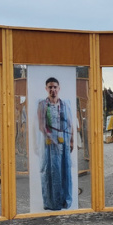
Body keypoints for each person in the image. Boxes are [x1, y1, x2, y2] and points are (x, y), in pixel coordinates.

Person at [37, 77, 73, 210]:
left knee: (65, 169)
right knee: (51, 171)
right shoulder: (42, 105)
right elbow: (41, 125)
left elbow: (70, 123)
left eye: (55, 87)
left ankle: (64, 200)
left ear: (59, 88)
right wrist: (51, 138)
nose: (53, 90)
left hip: (63, 140)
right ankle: (51, 202)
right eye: (50, 87)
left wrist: (72, 140)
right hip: (49, 142)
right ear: (46, 89)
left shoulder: (64, 104)